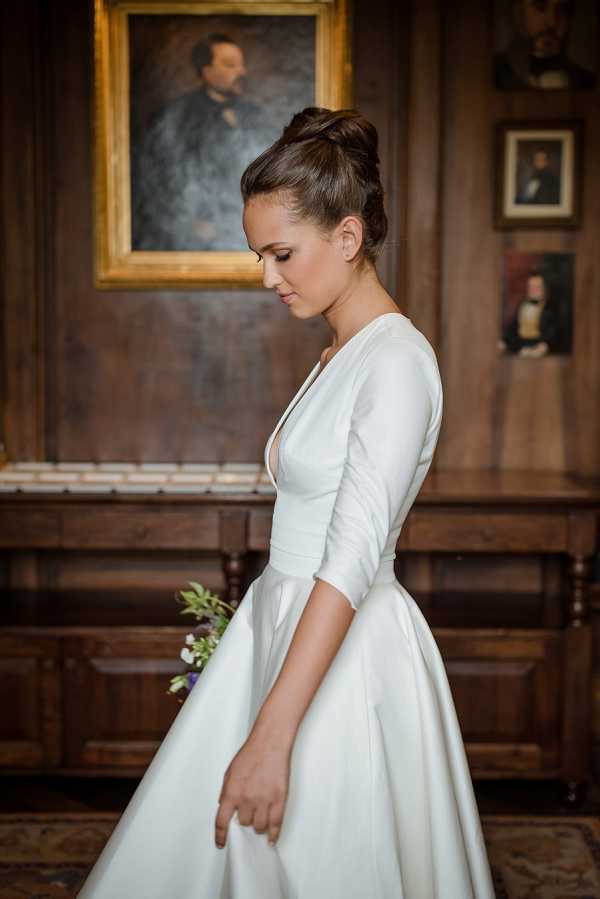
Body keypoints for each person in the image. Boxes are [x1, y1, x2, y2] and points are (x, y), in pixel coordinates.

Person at [77, 108, 496, 898]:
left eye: (281, 254)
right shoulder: (342, 350)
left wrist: (273, 734)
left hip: (344, 643)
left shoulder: (395, 361)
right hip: (284, 619)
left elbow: (350, 553)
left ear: (347, 236)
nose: (268, 277)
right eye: (259, 256)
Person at [131, 33, 278, 250]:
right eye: (230, 65)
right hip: (193, 239)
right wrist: (190, 223)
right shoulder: (177, 117)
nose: (242, 72)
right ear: (206, 70)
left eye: (241, 65)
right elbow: (158, 183)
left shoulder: (256, 115)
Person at [494, 0, 596, 90]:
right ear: (518, 12)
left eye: (562, 10)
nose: (552, 22)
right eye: (540, 6)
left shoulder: (586, 81)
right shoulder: (494, 72)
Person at [499, 268, 563, 356]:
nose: (533, 290)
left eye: (537, 287)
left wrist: (545, 345)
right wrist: (504, 341)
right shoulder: (522, 304)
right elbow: (514, 327)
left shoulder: (550, 307)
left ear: (545, 288)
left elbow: (554, 331)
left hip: (539, 344)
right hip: (520, 344)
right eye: (530, 287)